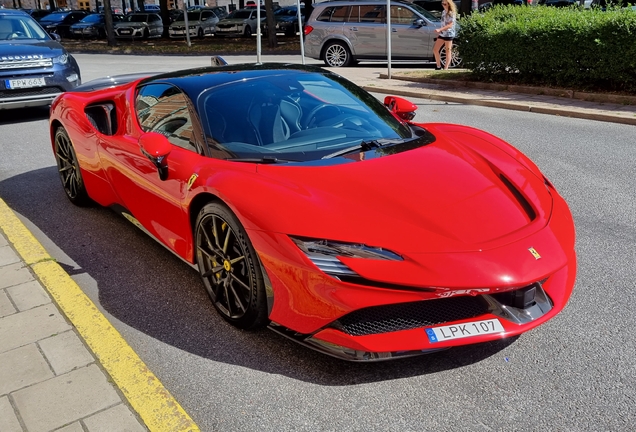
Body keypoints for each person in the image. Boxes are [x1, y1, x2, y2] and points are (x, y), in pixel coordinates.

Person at [433, 0, 457, 70]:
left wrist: (440, 30)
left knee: (448, 50)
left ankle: (446, 68)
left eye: (445, 4)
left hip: (449, 34)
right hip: (442, 34)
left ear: (449, 4)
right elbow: (443, 23)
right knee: (435, 49)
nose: (443, 5)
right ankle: (438, 66)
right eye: (442, 4)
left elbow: (450, 25)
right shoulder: (443, 12)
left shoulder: (451, 13)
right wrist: (440, 32)